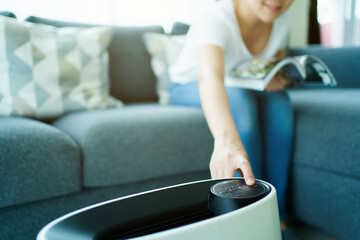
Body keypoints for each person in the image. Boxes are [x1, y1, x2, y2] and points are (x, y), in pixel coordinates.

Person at [169, 0, 294, 230]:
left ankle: (277, 215)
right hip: (187, 85)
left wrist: (275, 76)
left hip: (240, 84)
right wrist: (225, 140)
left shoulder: (280, 14)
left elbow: (274, 61)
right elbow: (210, 77)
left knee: (280, 103)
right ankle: (248, 218)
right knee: (240, 103)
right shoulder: (215, 16)